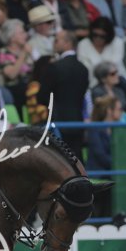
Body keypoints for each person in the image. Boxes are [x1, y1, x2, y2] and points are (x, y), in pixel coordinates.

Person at [37, 30, 89, 159]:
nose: (54, 43)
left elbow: (42, 97)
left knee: (58, 160)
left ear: (68, 43)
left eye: (57, 40)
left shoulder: (55, 67)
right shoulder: (83, 69)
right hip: (78, 122)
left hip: (57, 122)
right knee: (76, 159)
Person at [78, 16, 126, 88]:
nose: (98, 38)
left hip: (118, 82)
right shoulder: (83, 44)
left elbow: (113, 65)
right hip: (92, 85)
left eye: (102, 36)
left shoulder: (117, 42)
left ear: (109, 36)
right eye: (95, 35)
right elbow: (85, 68)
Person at [85, 94, 122, 173]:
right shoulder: (94, 129)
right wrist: (119, 165)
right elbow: (100, 156)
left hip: (115, 172)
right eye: (119, 109)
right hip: (98, 173)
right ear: (109, 110)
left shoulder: (118, 130)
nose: (121, 112)